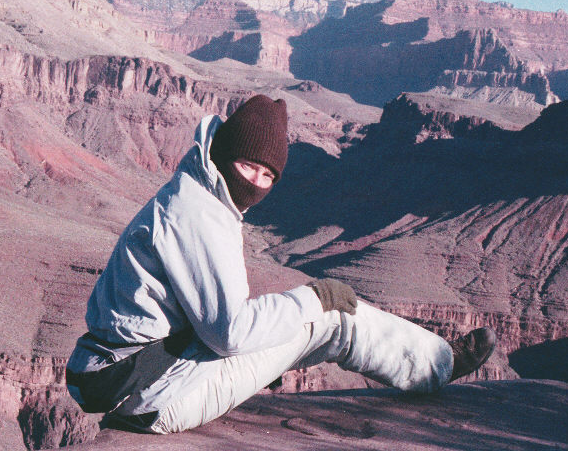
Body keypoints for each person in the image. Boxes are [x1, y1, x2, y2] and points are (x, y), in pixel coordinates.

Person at [65, 94, 496, 434]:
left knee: (295, 316)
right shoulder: (197, 214)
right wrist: (312, 298)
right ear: (225, 153)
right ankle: (438, 365)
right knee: (332, 319)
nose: (255, 182)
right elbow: (230, 332)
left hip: (134, 375)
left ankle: (430, 358)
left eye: (267, 175)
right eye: (248, 165)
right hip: (155, 393)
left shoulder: (197, 191)